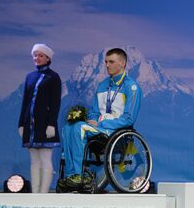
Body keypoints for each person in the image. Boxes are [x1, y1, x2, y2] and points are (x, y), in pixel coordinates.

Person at [58, 48, 142, 190]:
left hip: (115, 131)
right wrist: (92, 120)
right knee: (68, 127)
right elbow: (94, 112)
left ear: (122, 63)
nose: (107, 65)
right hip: (98, 128)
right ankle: (70, 175)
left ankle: (78, 175)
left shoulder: (131, 86)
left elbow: (129, 118)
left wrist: (101, 122)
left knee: (80, 128)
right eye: (106, 62)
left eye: (111, 62)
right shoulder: (103, 85)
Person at [18, 44, 62, 193]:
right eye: (35, 55)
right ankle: (35, 193)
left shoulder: (54, 77)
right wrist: (21, 124)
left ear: (48, 58)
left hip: (45, 124)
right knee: (34, 161)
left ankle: (43, 194)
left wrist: (51, 124)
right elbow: (25, 101)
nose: (37, 58)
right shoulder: (29, 76)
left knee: (45, 159)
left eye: (40, 55)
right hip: (30, 124)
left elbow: (56, 102)